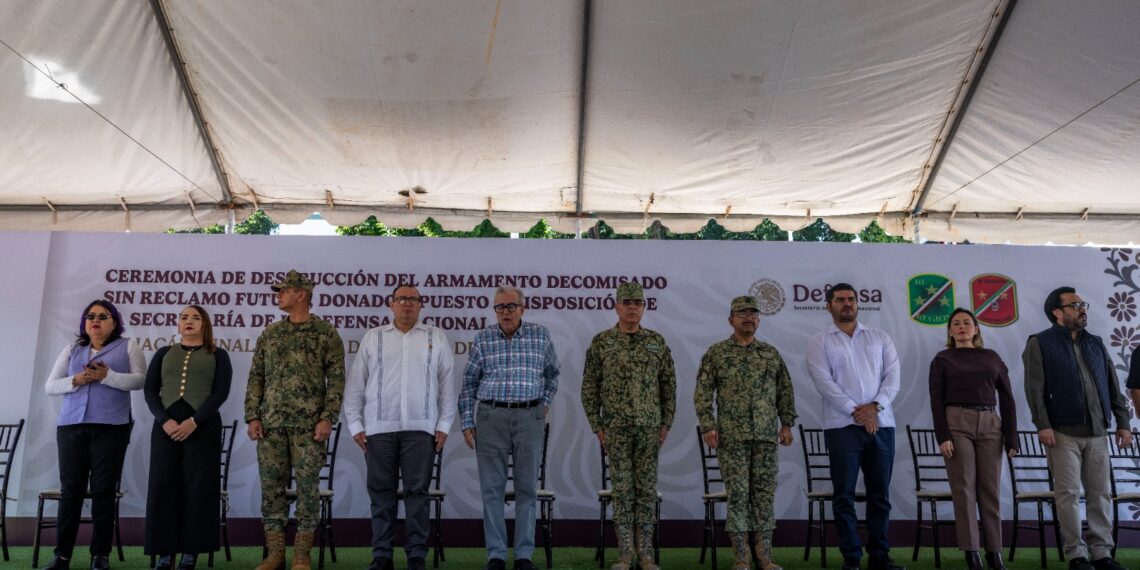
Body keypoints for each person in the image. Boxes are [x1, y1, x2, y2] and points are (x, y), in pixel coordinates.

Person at [344, 284, 457, 570]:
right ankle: (382, 555)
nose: (407, 304)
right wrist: (356, 423)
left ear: (421, 305)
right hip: (379, 429)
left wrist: (444, 424)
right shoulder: (374, 337)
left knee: (418, 494)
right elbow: (356, 383)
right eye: (401, 299)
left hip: (422, 429)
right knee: (381, 494)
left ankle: (416, 555)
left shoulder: (436, 337)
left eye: (412, 300)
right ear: (391, 304)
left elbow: (447, 385)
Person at [1023, 287, 1132, 570]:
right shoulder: (1040, 343)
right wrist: (1043, 425)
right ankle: (1076, 554)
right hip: (1061, 432)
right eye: (1074, 305)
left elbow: (1113, 386)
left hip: (1098, 432)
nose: (1082, 308)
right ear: (1057, 312)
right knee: (1068, 494)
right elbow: (1034, 389)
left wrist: (1123, 423)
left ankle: (1102, 552)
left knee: (1100, 493)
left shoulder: (1095, 343)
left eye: (1082, 303)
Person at [245, 270, 345, 570]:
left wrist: (328, 417)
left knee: (307, 491)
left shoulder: (325, 333)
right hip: (271, 426)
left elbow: (337, 380)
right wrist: (252, 415)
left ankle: (301, 556)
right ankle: (275, 554)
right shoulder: (271, 333)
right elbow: (256, 377)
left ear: (301, 293)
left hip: (309, 428)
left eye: (284, 290)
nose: (279, 295)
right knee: (271, 490)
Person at [460, 286, 560, 570]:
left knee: (527, 489)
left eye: (511, 306)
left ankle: (524, 555)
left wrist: (544, 403)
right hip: (491, 418)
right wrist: (467, 421)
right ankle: (496, 555)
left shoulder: (540, 336)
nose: (505, 312)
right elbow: (469, 383)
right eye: (500, 307)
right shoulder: (483, 339)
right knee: (492, 490)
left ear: (522, 308)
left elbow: (553, 373)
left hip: (529, 417)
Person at [805, 283, 904, 570]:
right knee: (844, 495)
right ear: (828, 306)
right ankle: (851, 557)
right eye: (839, 300)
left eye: (850, 299)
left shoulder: (879, 337)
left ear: (858, 304)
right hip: (842, 428)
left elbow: (892, 377)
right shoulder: (819, 341)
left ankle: (879, 556)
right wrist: (856, 411)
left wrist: (874, 408)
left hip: (882, 425)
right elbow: (824, 383)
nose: (846, 304)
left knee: (880, 496)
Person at [42, 300, 145, 570]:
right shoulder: (72, 349)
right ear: (84, 323)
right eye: (90, 316)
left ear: (114, 322)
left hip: (112, 428)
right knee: (71, 492)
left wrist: (108, 376)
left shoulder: (128, 346)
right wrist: (75, 380)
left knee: (103, 492)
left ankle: (100, 555)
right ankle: (61, 555)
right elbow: (50, 386)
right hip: (71, 428)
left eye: (102, 316)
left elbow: (140, 380)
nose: (95, 320)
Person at [694, 296, 796, 570]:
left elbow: (784, 391)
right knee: (738, 495)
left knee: (763, 496)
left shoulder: (770, 354)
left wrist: (786, 424)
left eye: (753, 313)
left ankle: (765, 556)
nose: (748, 317)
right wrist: (708, 425)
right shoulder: (717, 353)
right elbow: (703, 393)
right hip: (732, 438)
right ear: (731, 320)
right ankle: (741, 556)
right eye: (742, 313)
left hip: (765, 437)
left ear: (759, 320)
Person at [581, 282, 676, 570]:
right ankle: (624, 554)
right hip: (616, 429)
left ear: (644, 308)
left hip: (649, 428)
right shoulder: (602, 342)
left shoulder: (656, 342)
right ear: (617, 306)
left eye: (638, 302)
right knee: (622, 491)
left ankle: (645, 554)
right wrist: (598, 425)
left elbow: (668, 386)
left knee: (646, 491)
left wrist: (665, 424)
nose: (632, 307)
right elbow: (589, 387)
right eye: (627, 302)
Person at [143, 305, 233, 570]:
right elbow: (150, 391)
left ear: (205, 324)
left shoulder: (219, 355)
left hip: (202, 427)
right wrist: (164, 420)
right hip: (166, 428)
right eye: (184, 317)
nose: (189, 321)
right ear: (178, 324)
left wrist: (194, 421)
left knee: (199, 487)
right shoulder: (163, 353)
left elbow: (220, 393)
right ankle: (164, 552)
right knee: (163, 486)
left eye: (196, 317)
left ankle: (191, 552)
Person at [928, 308, 1017, 570]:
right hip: (957, 423)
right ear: (950, 331)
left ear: (976, 329)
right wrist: (942, 436)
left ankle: (994, 552)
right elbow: (936, 400)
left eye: (967, 322)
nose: (962, 326)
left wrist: (1012, 437)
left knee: (990, 490)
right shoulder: (942, 359)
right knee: (964, 488)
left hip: (991, 424)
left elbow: (1008, 398)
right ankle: (971, 552)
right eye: (956, 323)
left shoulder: (992, 357)